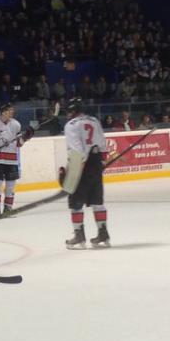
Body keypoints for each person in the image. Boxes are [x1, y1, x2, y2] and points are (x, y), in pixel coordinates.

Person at [60, 98, 110, 249]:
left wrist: (73, 173)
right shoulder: (94, 120)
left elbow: (77, 150)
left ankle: (79, 236)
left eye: (69, 111)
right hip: (95, 162)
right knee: (97, 200)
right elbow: (102, 143)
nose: (68, 114)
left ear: (73, 111)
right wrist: (101, 161)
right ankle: (103, 234)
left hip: (80, 164)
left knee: (75, 202)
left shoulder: (71, 125)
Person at [0, 102, 34, 215]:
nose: (12, 112)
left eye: (12, 109)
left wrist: (26, 138)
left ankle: (8, 208)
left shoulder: (16, 124)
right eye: (9, 110)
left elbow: (18, 143)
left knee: (10, 186)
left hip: (12, 160)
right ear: (3, 111)